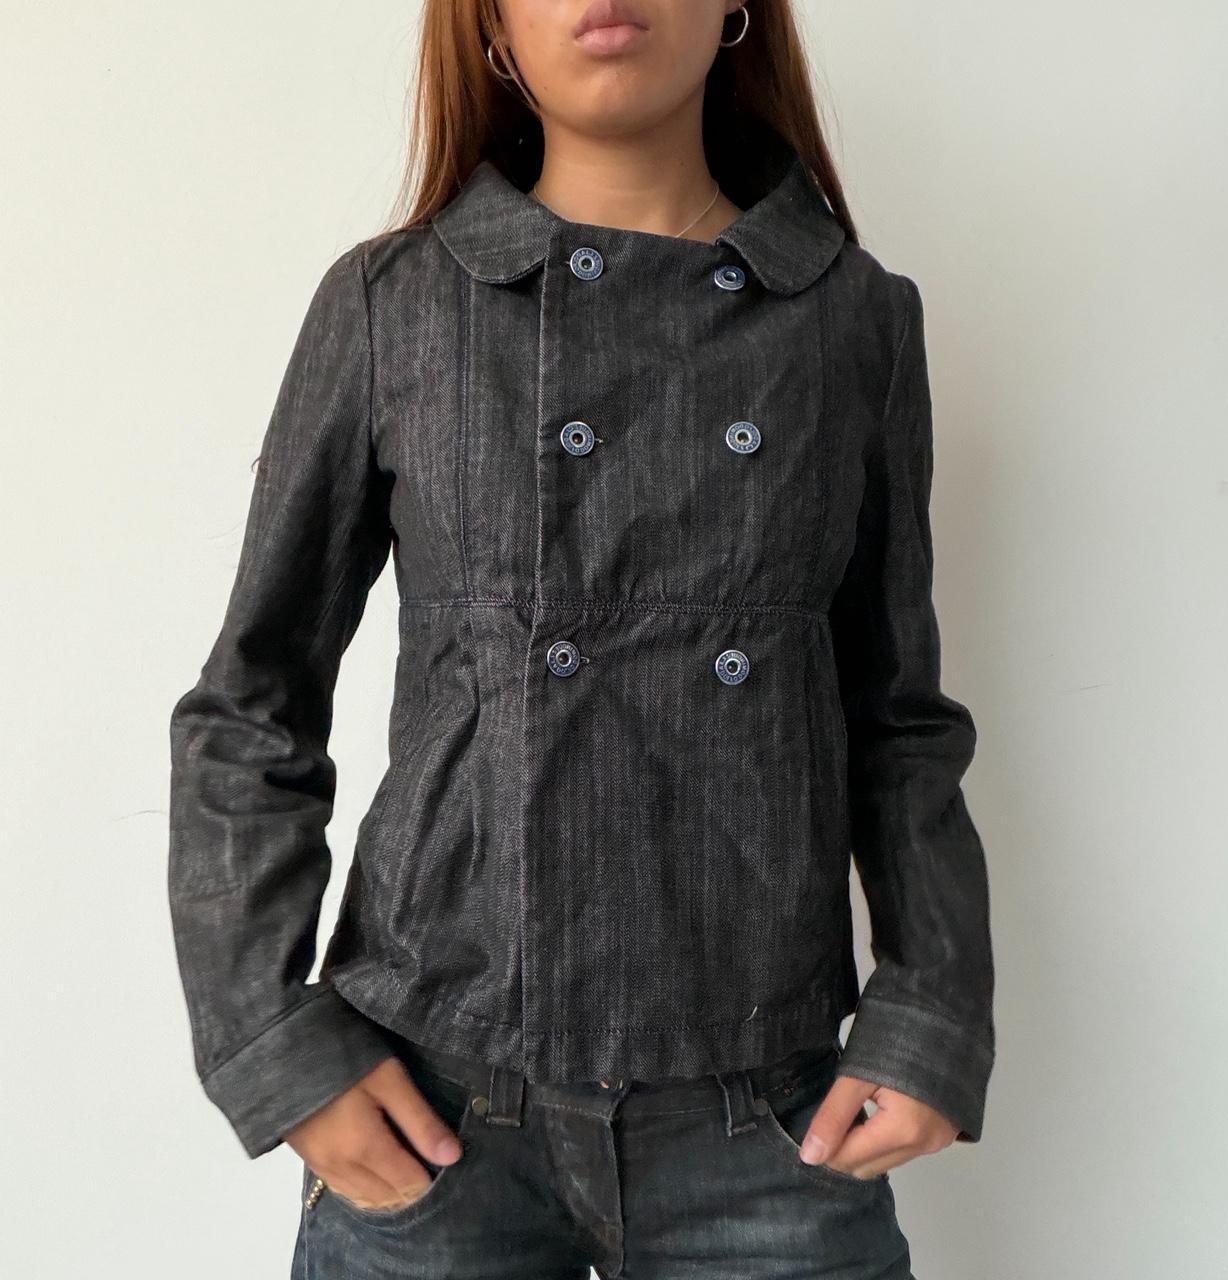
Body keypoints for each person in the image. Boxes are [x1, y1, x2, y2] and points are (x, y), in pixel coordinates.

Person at [167, 2, 995, 1276]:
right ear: (493, 25)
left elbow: (896, 715)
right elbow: (251, 700)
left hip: (765, 1116)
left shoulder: (851, 316)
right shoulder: (395, 302)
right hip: (436, 1107)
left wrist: (930, 1013)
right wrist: (275, 1045)